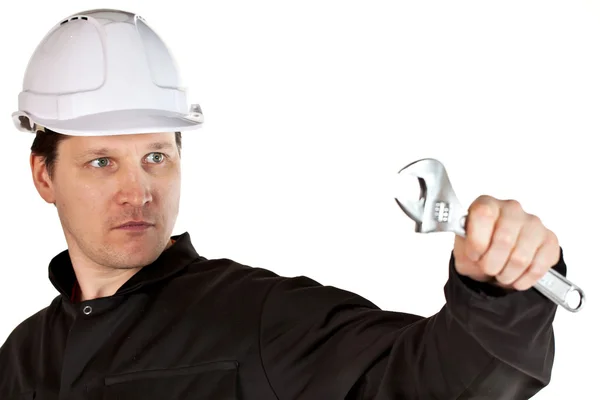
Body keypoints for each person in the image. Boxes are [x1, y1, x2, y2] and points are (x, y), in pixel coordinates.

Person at [0, 8, 567, 400]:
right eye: (102, 163)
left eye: (156, 157)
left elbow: (436, 383)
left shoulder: (259, 318)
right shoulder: (23, 356)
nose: (139, 192)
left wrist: (498, 294)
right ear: (43, 176)